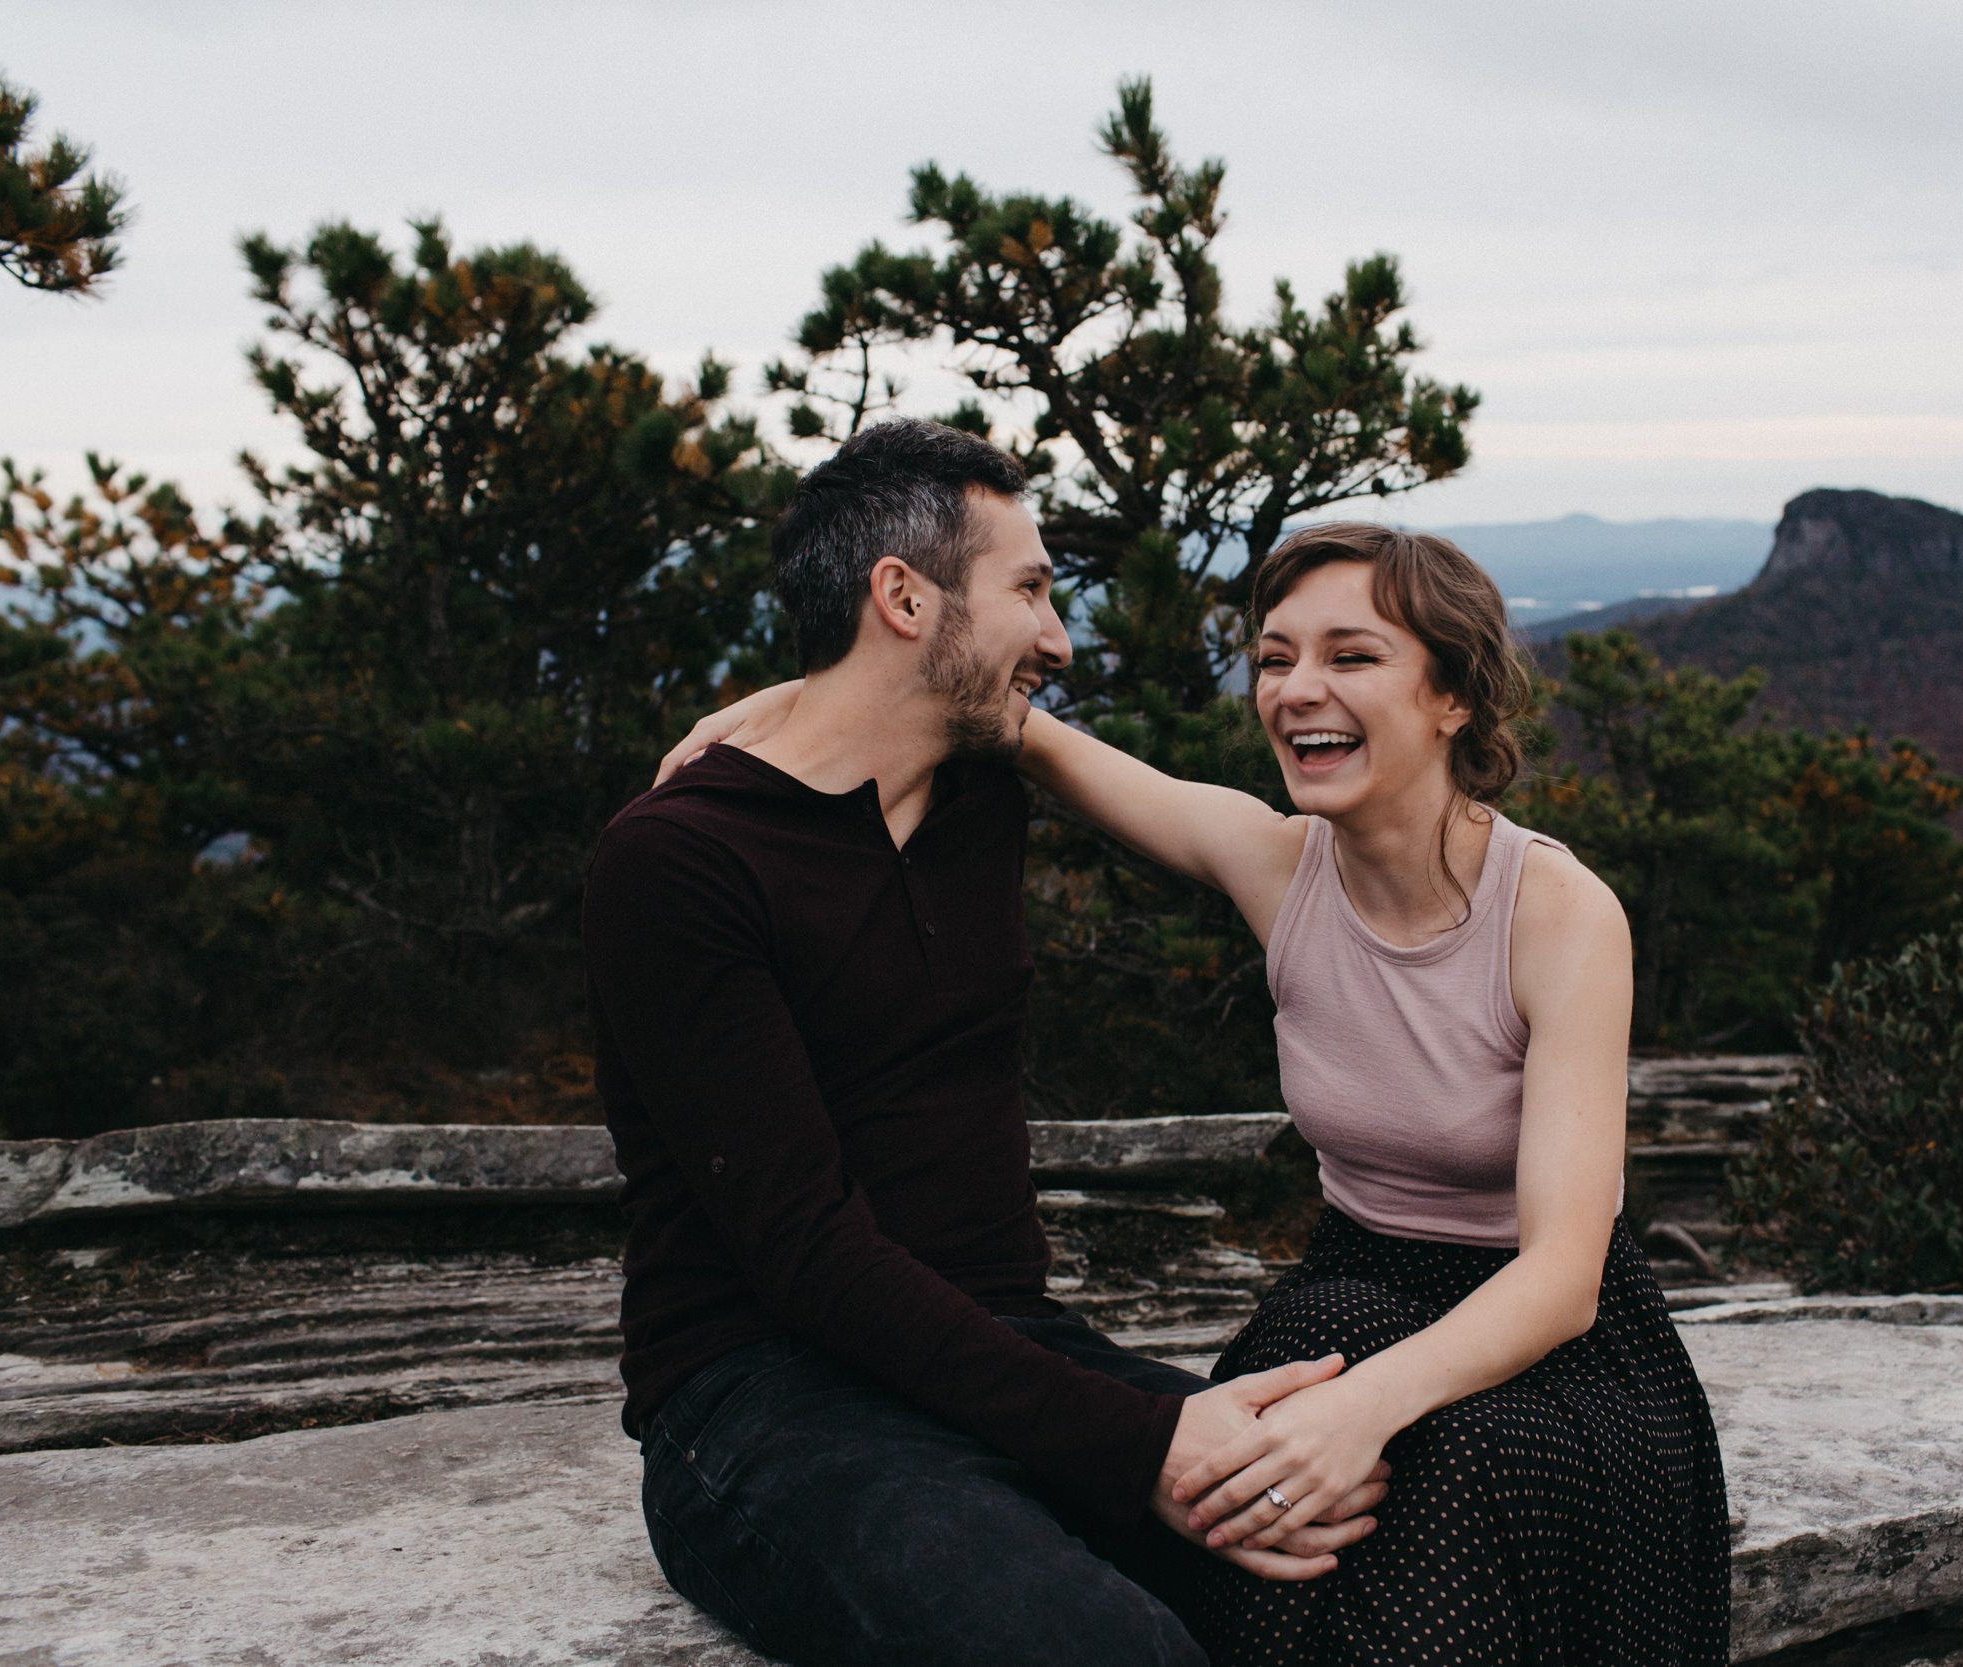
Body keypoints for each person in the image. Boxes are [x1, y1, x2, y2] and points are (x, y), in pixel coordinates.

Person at [674, 516, 1733, 1665]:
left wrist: (1361, 1406)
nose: (1296, 689)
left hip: (1544, 1351)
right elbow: (1012, 726)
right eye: (1275, 658)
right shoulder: (1276, 864)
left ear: (1454, 698)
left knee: (1433, 1466)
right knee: (1259, 1492)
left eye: (1352, 655)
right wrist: (794, 701)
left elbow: (1564, 1276)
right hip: (1349, 1297)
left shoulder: (1555, 913)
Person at [583, 418, 1391, 1667]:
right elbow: (804, 1251)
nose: (1059, 640)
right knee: (1104, 1649)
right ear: (902, 597)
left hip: (1003, 1343)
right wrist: (1137, 1446)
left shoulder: (976, 795)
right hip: (759, 1400)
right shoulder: (681, 860)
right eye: (1030, 590)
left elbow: (934, 722)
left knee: (1374, 1546)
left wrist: (1132, 1430)